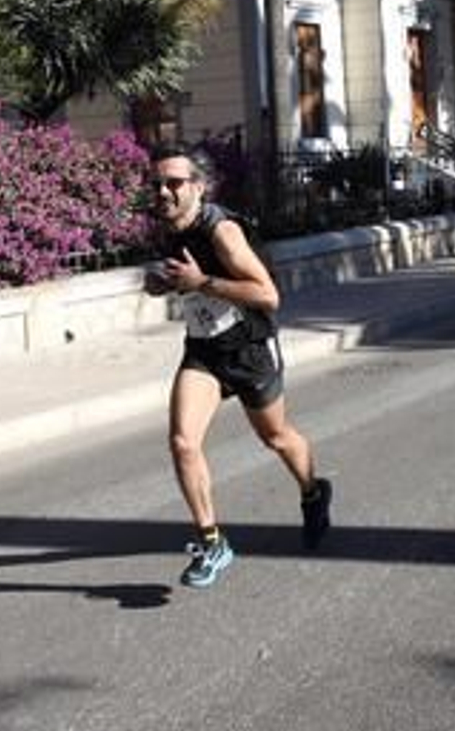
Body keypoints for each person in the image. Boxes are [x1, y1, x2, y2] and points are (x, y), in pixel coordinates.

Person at [142, 144, 331, 588]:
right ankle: (213, 543)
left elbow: (268, 295)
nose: (163, 192)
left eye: (174, 183)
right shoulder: (170, 225)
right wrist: (162, 285)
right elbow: (185, 284)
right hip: (204, 349)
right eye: (157, 184)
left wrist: (201, 281)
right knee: (183, 442)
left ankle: (312, 490)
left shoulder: (222, 231)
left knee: (277, 437)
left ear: (198, 187)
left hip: (250, 349)